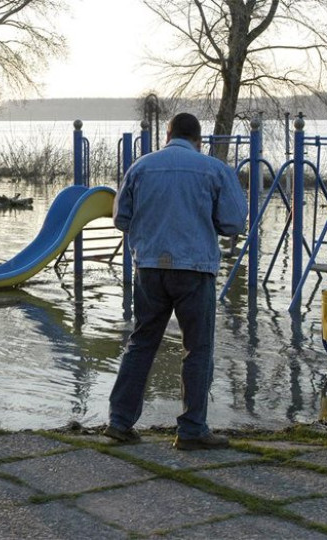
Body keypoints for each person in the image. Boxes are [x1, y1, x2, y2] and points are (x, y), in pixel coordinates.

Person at [105, 112, 247, 450]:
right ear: (199, 139)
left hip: (150, 268)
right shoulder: (214, 169)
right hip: (195, 269)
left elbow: (121, 218)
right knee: (197, 348)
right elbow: (233, 224)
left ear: (167, 135)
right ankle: (192, 429)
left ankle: (120, 422)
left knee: (141, 343)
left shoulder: (141, 167)